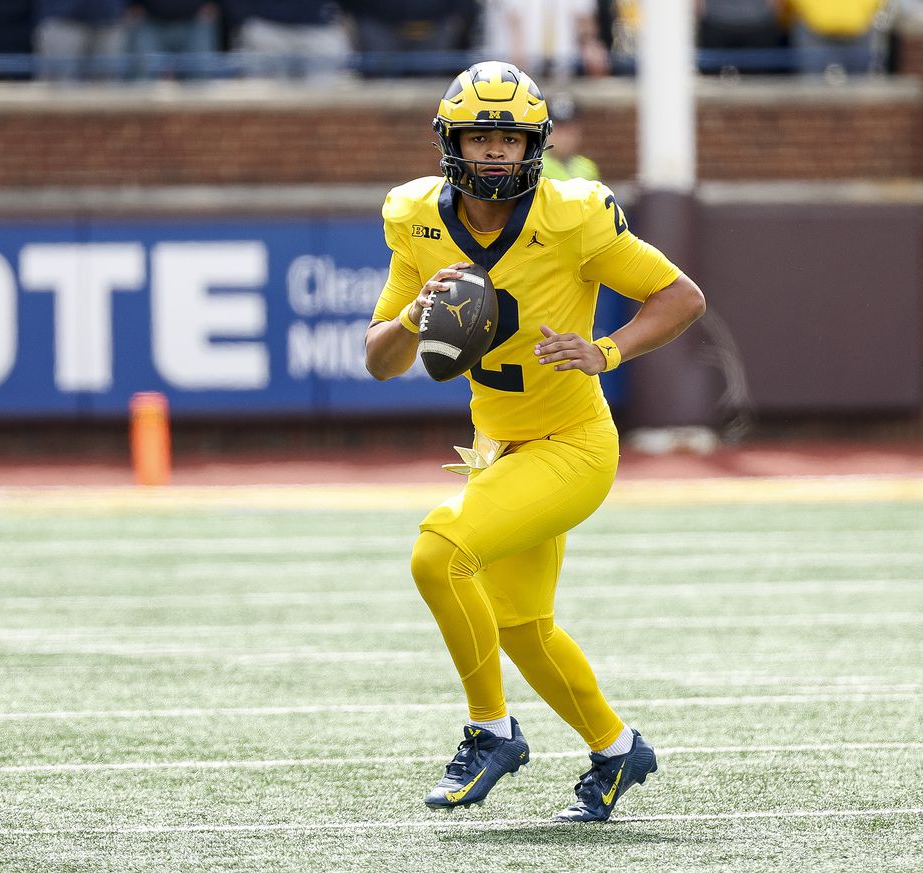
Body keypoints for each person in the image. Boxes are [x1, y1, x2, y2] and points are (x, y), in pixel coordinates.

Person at [364, 61, 706, 821]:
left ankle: (491, 732)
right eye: (480, 136)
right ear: (451, 143)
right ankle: (618, 749)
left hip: (574, 442)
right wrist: (415, 314)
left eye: (509, 138)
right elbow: (381, 361)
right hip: (498, 442)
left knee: (438, 551)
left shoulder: (575, 215)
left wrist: (606, 349)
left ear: (534, 146)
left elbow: (681, 295)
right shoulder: (416, 218)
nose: (494, 153)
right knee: (522, 626)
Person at [540, 93, 600, 181]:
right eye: (559, 128)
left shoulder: (588, 167)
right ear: (546, 130)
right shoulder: (535, 166)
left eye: (569, 129)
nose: (564, 137)